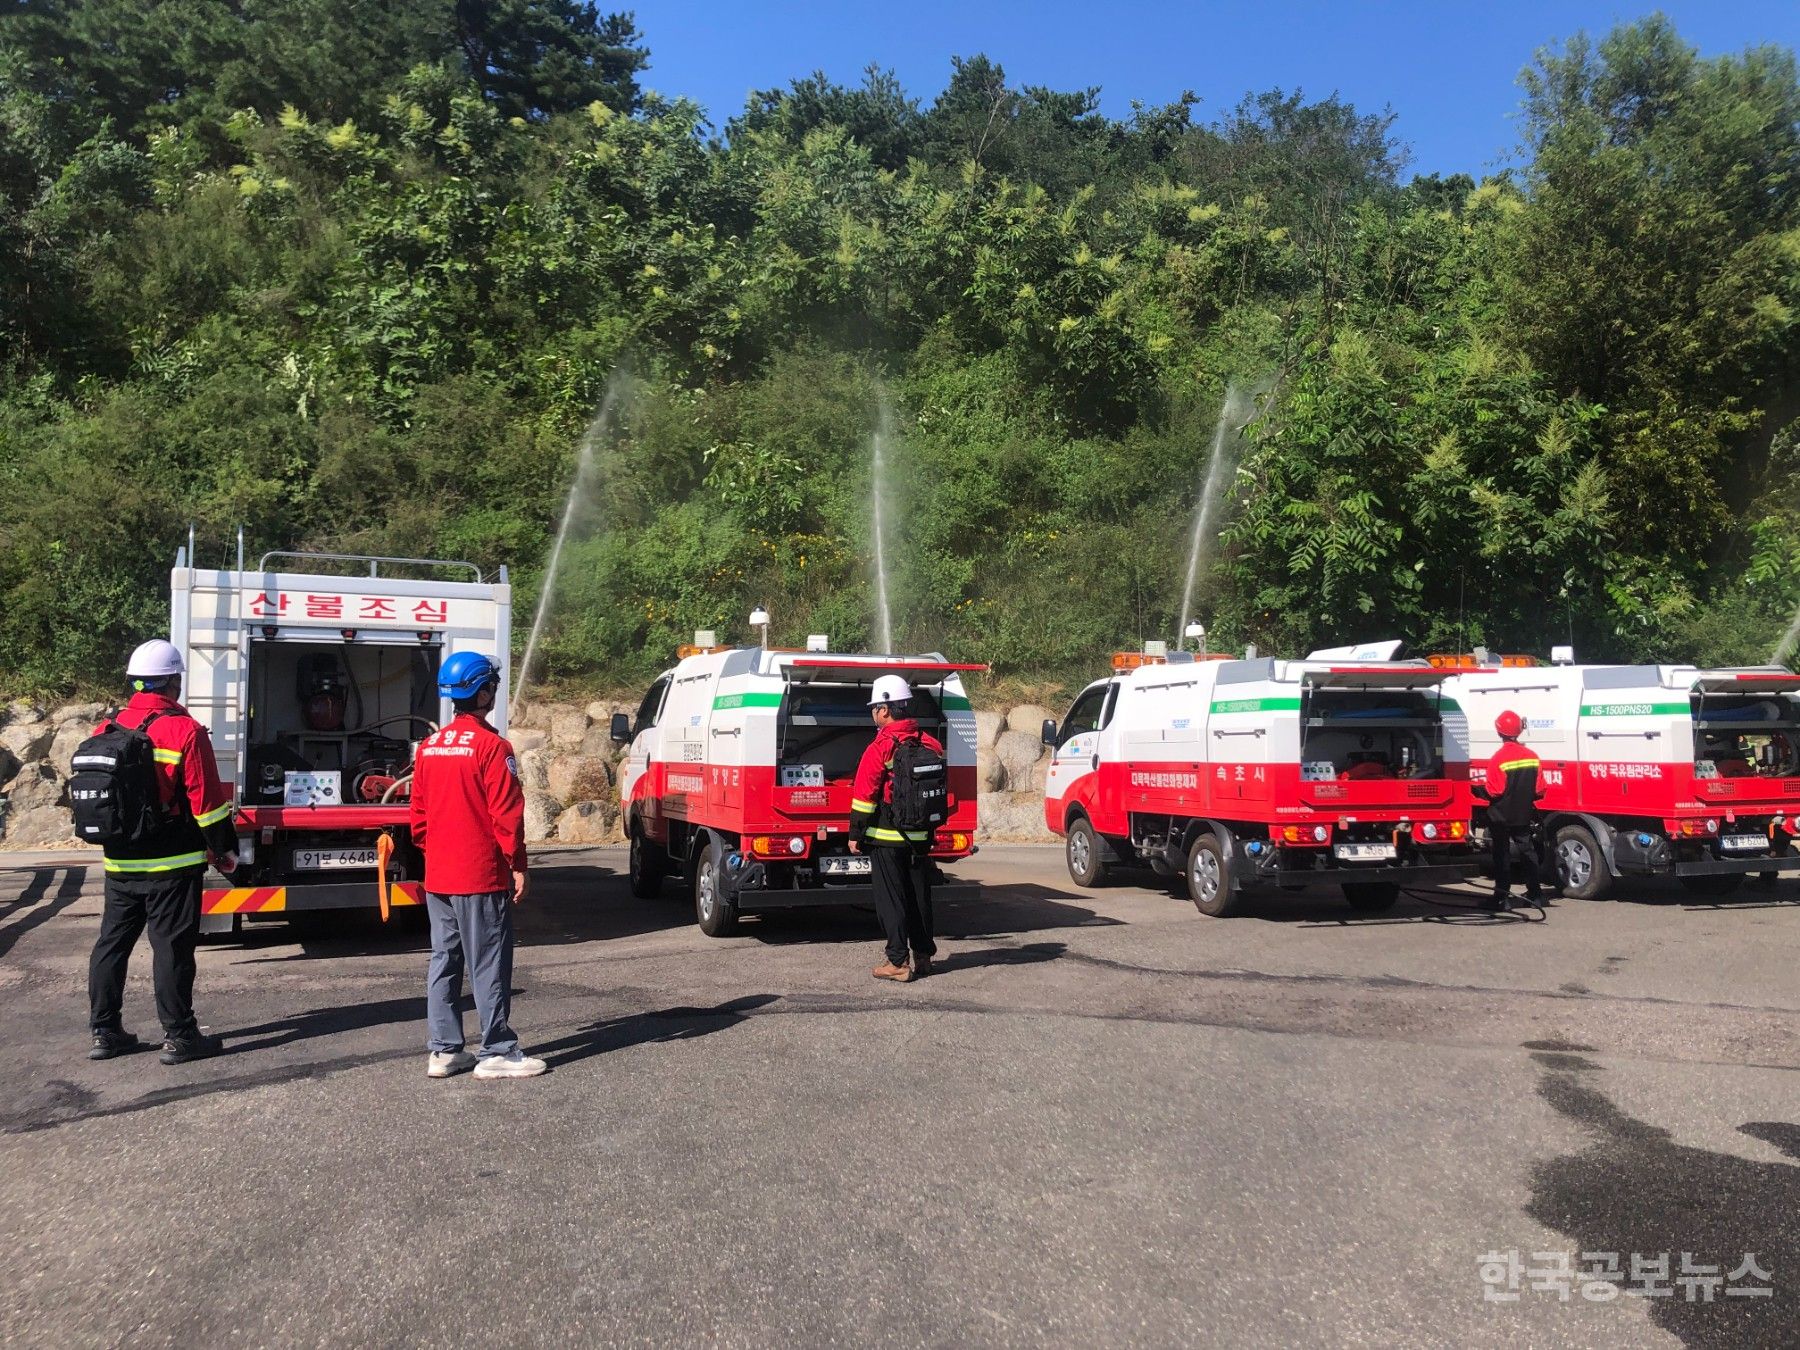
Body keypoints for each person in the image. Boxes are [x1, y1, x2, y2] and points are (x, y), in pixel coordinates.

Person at [87, 639, 238, 1064]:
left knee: (111, 945)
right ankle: (181, 1036)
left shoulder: (106, 728)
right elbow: (206, 803)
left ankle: (104, 1032)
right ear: (173, 681)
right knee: (170, 948)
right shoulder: (183, 730)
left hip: (119, 861)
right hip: (173, 864)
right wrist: (225, 850)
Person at [408, 651, 544, 1079]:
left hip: (440, 877)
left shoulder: (429, 748)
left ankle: (445, 1050)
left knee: (443, 960)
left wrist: (440, 853)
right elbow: (507, 815)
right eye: (493, 686)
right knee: (488, 961)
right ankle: (497, 1050)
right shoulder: (492, 747)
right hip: (479, 875)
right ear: (483, 691)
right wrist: (517, 864)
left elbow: (418, 819)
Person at [849, 675, 943, 982]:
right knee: (919, 898)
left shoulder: (881, 747)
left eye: (875, 707)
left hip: (886, 838)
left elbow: (864, 796)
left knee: (892, 900)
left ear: (886, 710)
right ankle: (924, 956)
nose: (873, 713)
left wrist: (856, 835)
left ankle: (898, 962)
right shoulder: (929, 743)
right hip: (921, 837)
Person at [1474, 709, 1545, 912]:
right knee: (1528, 851)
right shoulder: (1532, 756)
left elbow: (1494, 791)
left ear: (1499, 732)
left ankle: (1502, 898)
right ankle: (1536, 894)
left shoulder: (1499, 758)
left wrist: (1476, 790)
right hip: (1523, 814)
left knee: (1501, 855)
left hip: (1500, 816)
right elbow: (1540, 790)